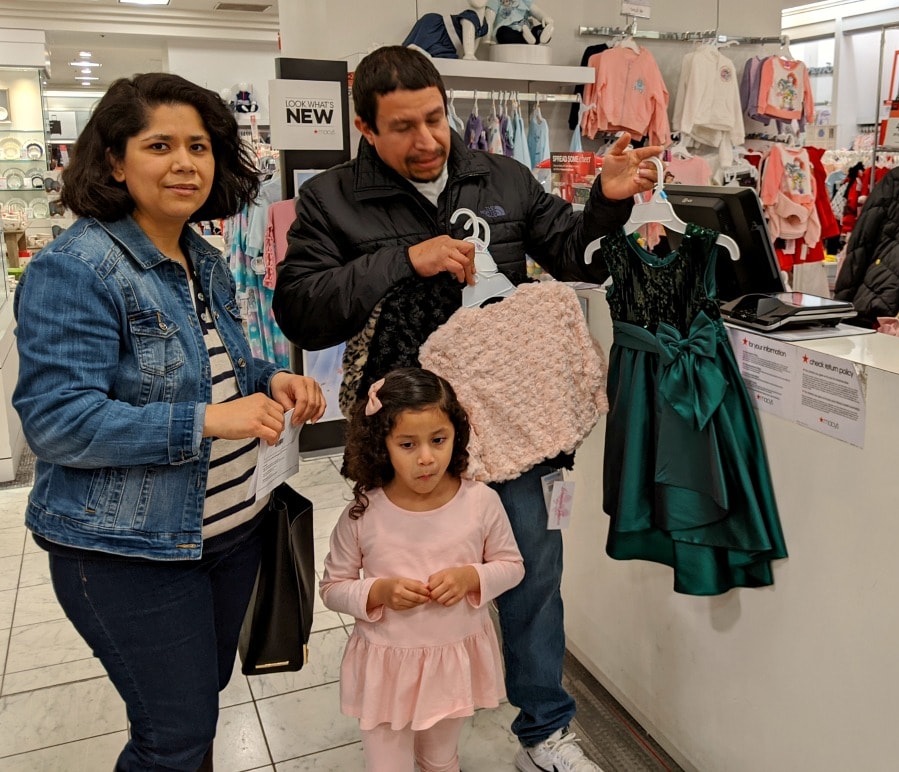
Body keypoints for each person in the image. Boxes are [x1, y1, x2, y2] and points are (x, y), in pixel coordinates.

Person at [273, 45, 662, 772]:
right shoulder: (332, 198)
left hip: (516, 425)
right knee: (406, 590)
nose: (425, 140)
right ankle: (410, 725)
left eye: (434, 119)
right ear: (365, 128)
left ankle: (544, 731)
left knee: (532, 577)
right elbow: (301, 312)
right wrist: (404, 259)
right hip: (409, 437)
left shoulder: (503, 176)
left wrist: (607, 201)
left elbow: (579, 256)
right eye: (402, 127)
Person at [12, 73, 326, 771]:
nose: (186, 162)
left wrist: (271, 379)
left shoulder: (199, 257)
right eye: (160, 145)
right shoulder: (78, 268)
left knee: (193, 714)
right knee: (174, 737)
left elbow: (219, 364)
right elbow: (58, 423)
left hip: (226, 534)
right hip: (130, 553)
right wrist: (213, 420)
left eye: (200, 145)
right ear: (116, 161)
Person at [320, 367, 525, 772]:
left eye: (438, 440)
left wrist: (473, 577)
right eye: (408, 444)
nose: (426, 457)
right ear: (383, 445)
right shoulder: (364, 513)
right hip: (386, 669)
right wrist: (377, 592)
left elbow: (512, 566)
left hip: (451, 663)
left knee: (440, 759)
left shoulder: (480, 502)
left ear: (456, 436)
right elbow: (332, 587)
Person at [833, 165, 899, 327]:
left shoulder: (895, 180)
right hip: (882, 300)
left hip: (881, 298)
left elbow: (862, 243)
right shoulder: (895, 181)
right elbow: (862, 243)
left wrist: (842, 306)